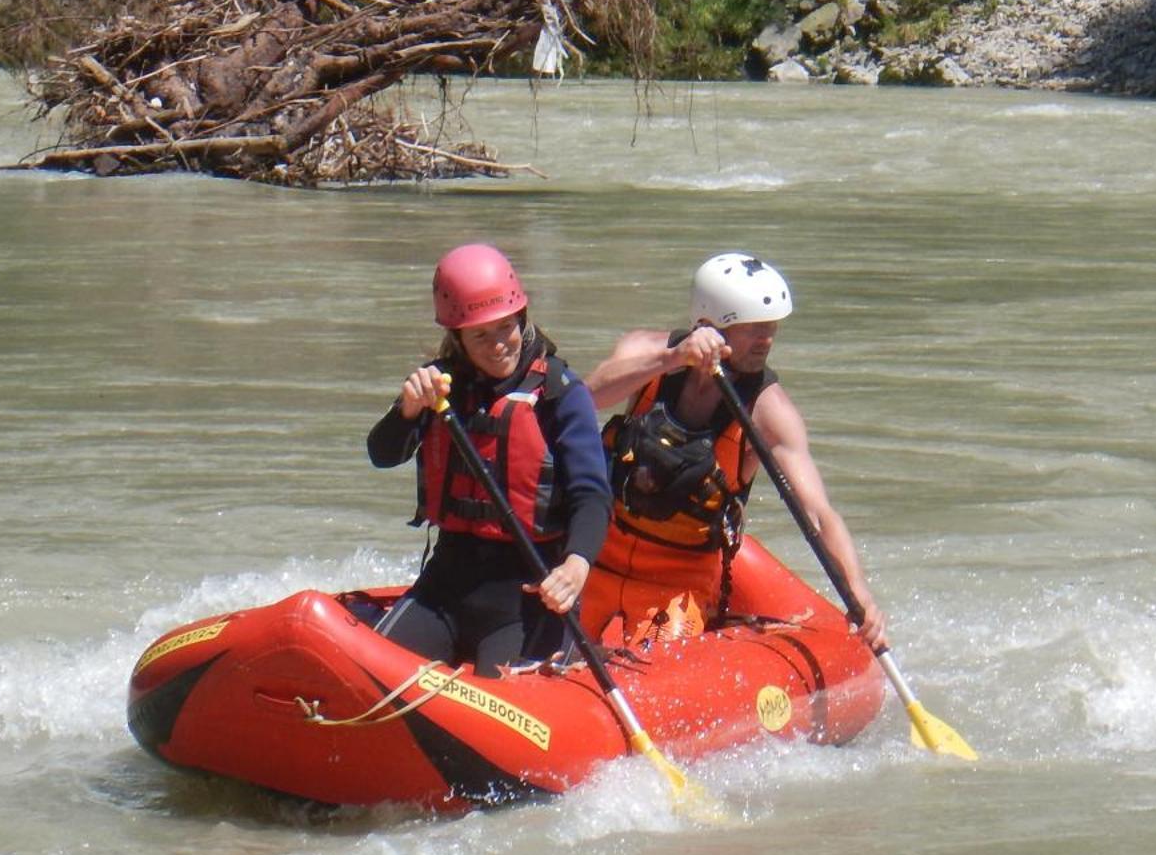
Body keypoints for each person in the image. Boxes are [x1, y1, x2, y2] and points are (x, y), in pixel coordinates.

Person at [581, 252, 889, 650]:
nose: (768, 340)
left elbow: (817, 512)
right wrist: (673, 358)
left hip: (679, 587)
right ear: (709, 323)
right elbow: (586, 398)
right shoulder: (646, 352)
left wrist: (858, 590)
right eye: (755, 329)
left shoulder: (769, 411)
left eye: (773, 327)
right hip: (594, 563)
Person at [365, 243, 611, 677]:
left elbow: (592, 495)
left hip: (527, 593)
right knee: (366, 673)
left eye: (507, 327)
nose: (499, 345)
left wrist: (576, 565)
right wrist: (407, 410)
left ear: (522, 317)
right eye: (481, 335)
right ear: (457, 336)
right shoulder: (438, 386)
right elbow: (382, 454)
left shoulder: (560, 393)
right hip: (445, 585)